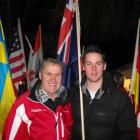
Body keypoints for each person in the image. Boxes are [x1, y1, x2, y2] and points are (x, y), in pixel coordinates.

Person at [70, 45, 137, 140]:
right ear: (83, 67)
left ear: (104, 66)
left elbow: (129, 135)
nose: (93, 68)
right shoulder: (75, 94)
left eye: (98, 63)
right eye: (89, 64)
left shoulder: (120, 98)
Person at [2, 58, 73, 140]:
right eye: (48, 74)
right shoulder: (24, 104)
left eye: (57, 75)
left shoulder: (69, 101)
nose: (53, 79)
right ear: (40, 75)